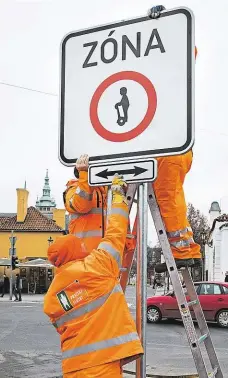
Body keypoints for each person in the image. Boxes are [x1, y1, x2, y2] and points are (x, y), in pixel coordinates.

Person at [44, 175, 143, 378]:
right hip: (103, 365)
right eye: (79, 245)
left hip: (73, 367)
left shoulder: (52, 296)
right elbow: (115, 231)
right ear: (74, 251)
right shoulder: (97, 266)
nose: (83, 245)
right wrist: (118, 197)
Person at [154, 47, 201, 273]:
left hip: (168, 149)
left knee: (166, 200)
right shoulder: (176, 79)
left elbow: (187, 46)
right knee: (175, 198)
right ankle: (191, 251)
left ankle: (181, 254)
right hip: (180, 149)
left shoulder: (168, 79)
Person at [63, 154, 136, 291]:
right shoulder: (73, 189)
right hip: (85, 261)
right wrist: (85, 175)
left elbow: (118, 214)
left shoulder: (109, 190)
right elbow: (81, 205)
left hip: (109, 258)